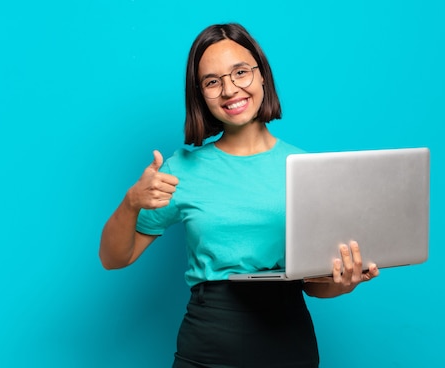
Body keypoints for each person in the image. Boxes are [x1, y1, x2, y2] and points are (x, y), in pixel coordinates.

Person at [99, 23, 380, 368]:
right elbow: (114, 259)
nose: (230, 90)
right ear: (200, 94)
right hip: (206, 349)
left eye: (241, 73)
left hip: (289, 346)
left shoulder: (306, 169)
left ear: (262, 76)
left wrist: (344, 282)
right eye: (212, 82)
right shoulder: (180, 170)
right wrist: (131, 204)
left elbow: (313, 286)